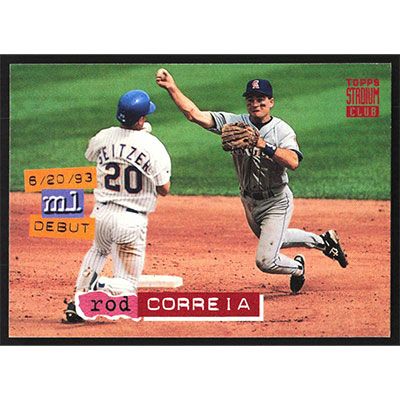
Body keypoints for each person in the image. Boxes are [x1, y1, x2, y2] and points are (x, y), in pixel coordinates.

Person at [155, 68, 347, 294]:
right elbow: (194, 114)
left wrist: (263, 145)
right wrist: (172, 87)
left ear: (271, 102)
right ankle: (324, 241)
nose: (255, 104)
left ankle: (297, 268)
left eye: (260, 99)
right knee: (274, 238)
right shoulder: (234, 123)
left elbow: (293, 161)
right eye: (250, 99)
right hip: (248, 201)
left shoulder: (282, 130)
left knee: (266, 260)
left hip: (276, 201)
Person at [64, 89, 171, 323]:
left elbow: (90, 153)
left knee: (98, 251)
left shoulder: (104, 136)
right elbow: (164, 188)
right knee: (128, 285)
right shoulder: (153, 146)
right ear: (141, 119)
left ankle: (78, 303)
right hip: (131, 220)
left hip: (102, 213)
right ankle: (99, 285)